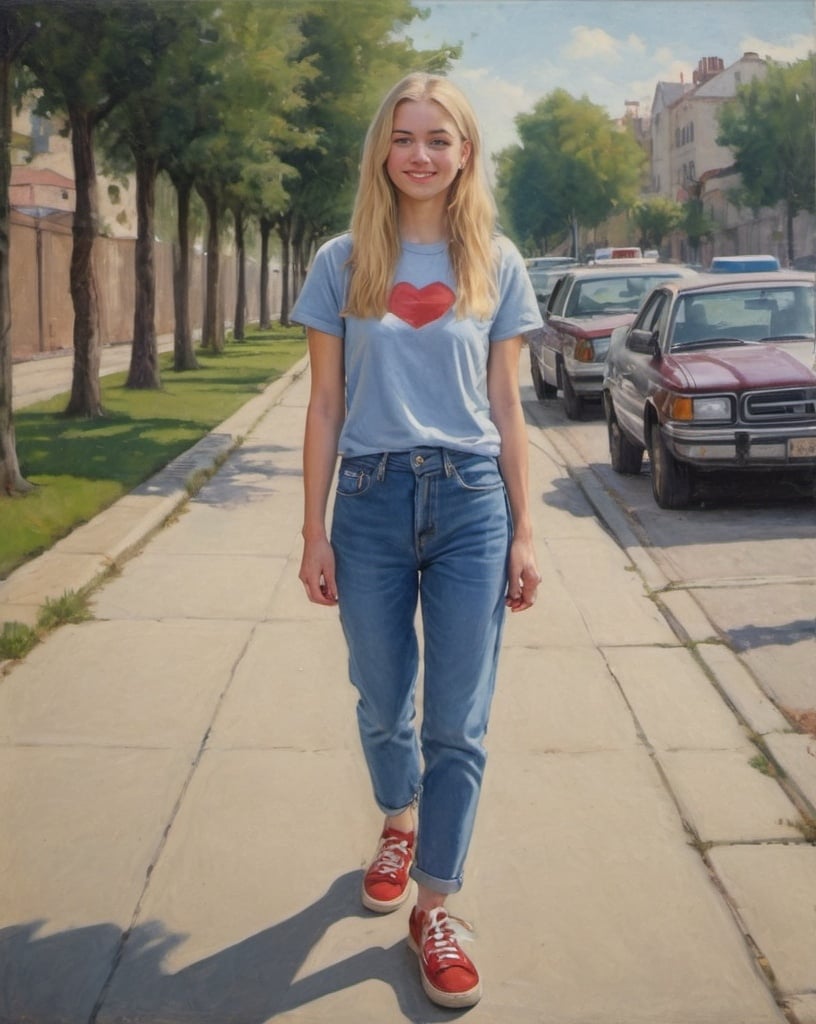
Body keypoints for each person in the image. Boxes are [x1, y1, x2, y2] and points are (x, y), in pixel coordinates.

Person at [293, 71, 542, 1009]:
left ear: (466, 151)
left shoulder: (497, 260)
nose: (423, 153)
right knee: (382, 697)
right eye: (406, 136)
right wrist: (311, 530)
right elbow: (323, 404)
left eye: (441, 138)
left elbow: (510, 406)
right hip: (368, 499)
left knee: (459, 721)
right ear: (383, 150)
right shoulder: (342, 260)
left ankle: (435, 902)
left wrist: (526, 533)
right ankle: (398, 817)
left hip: (473, 502)